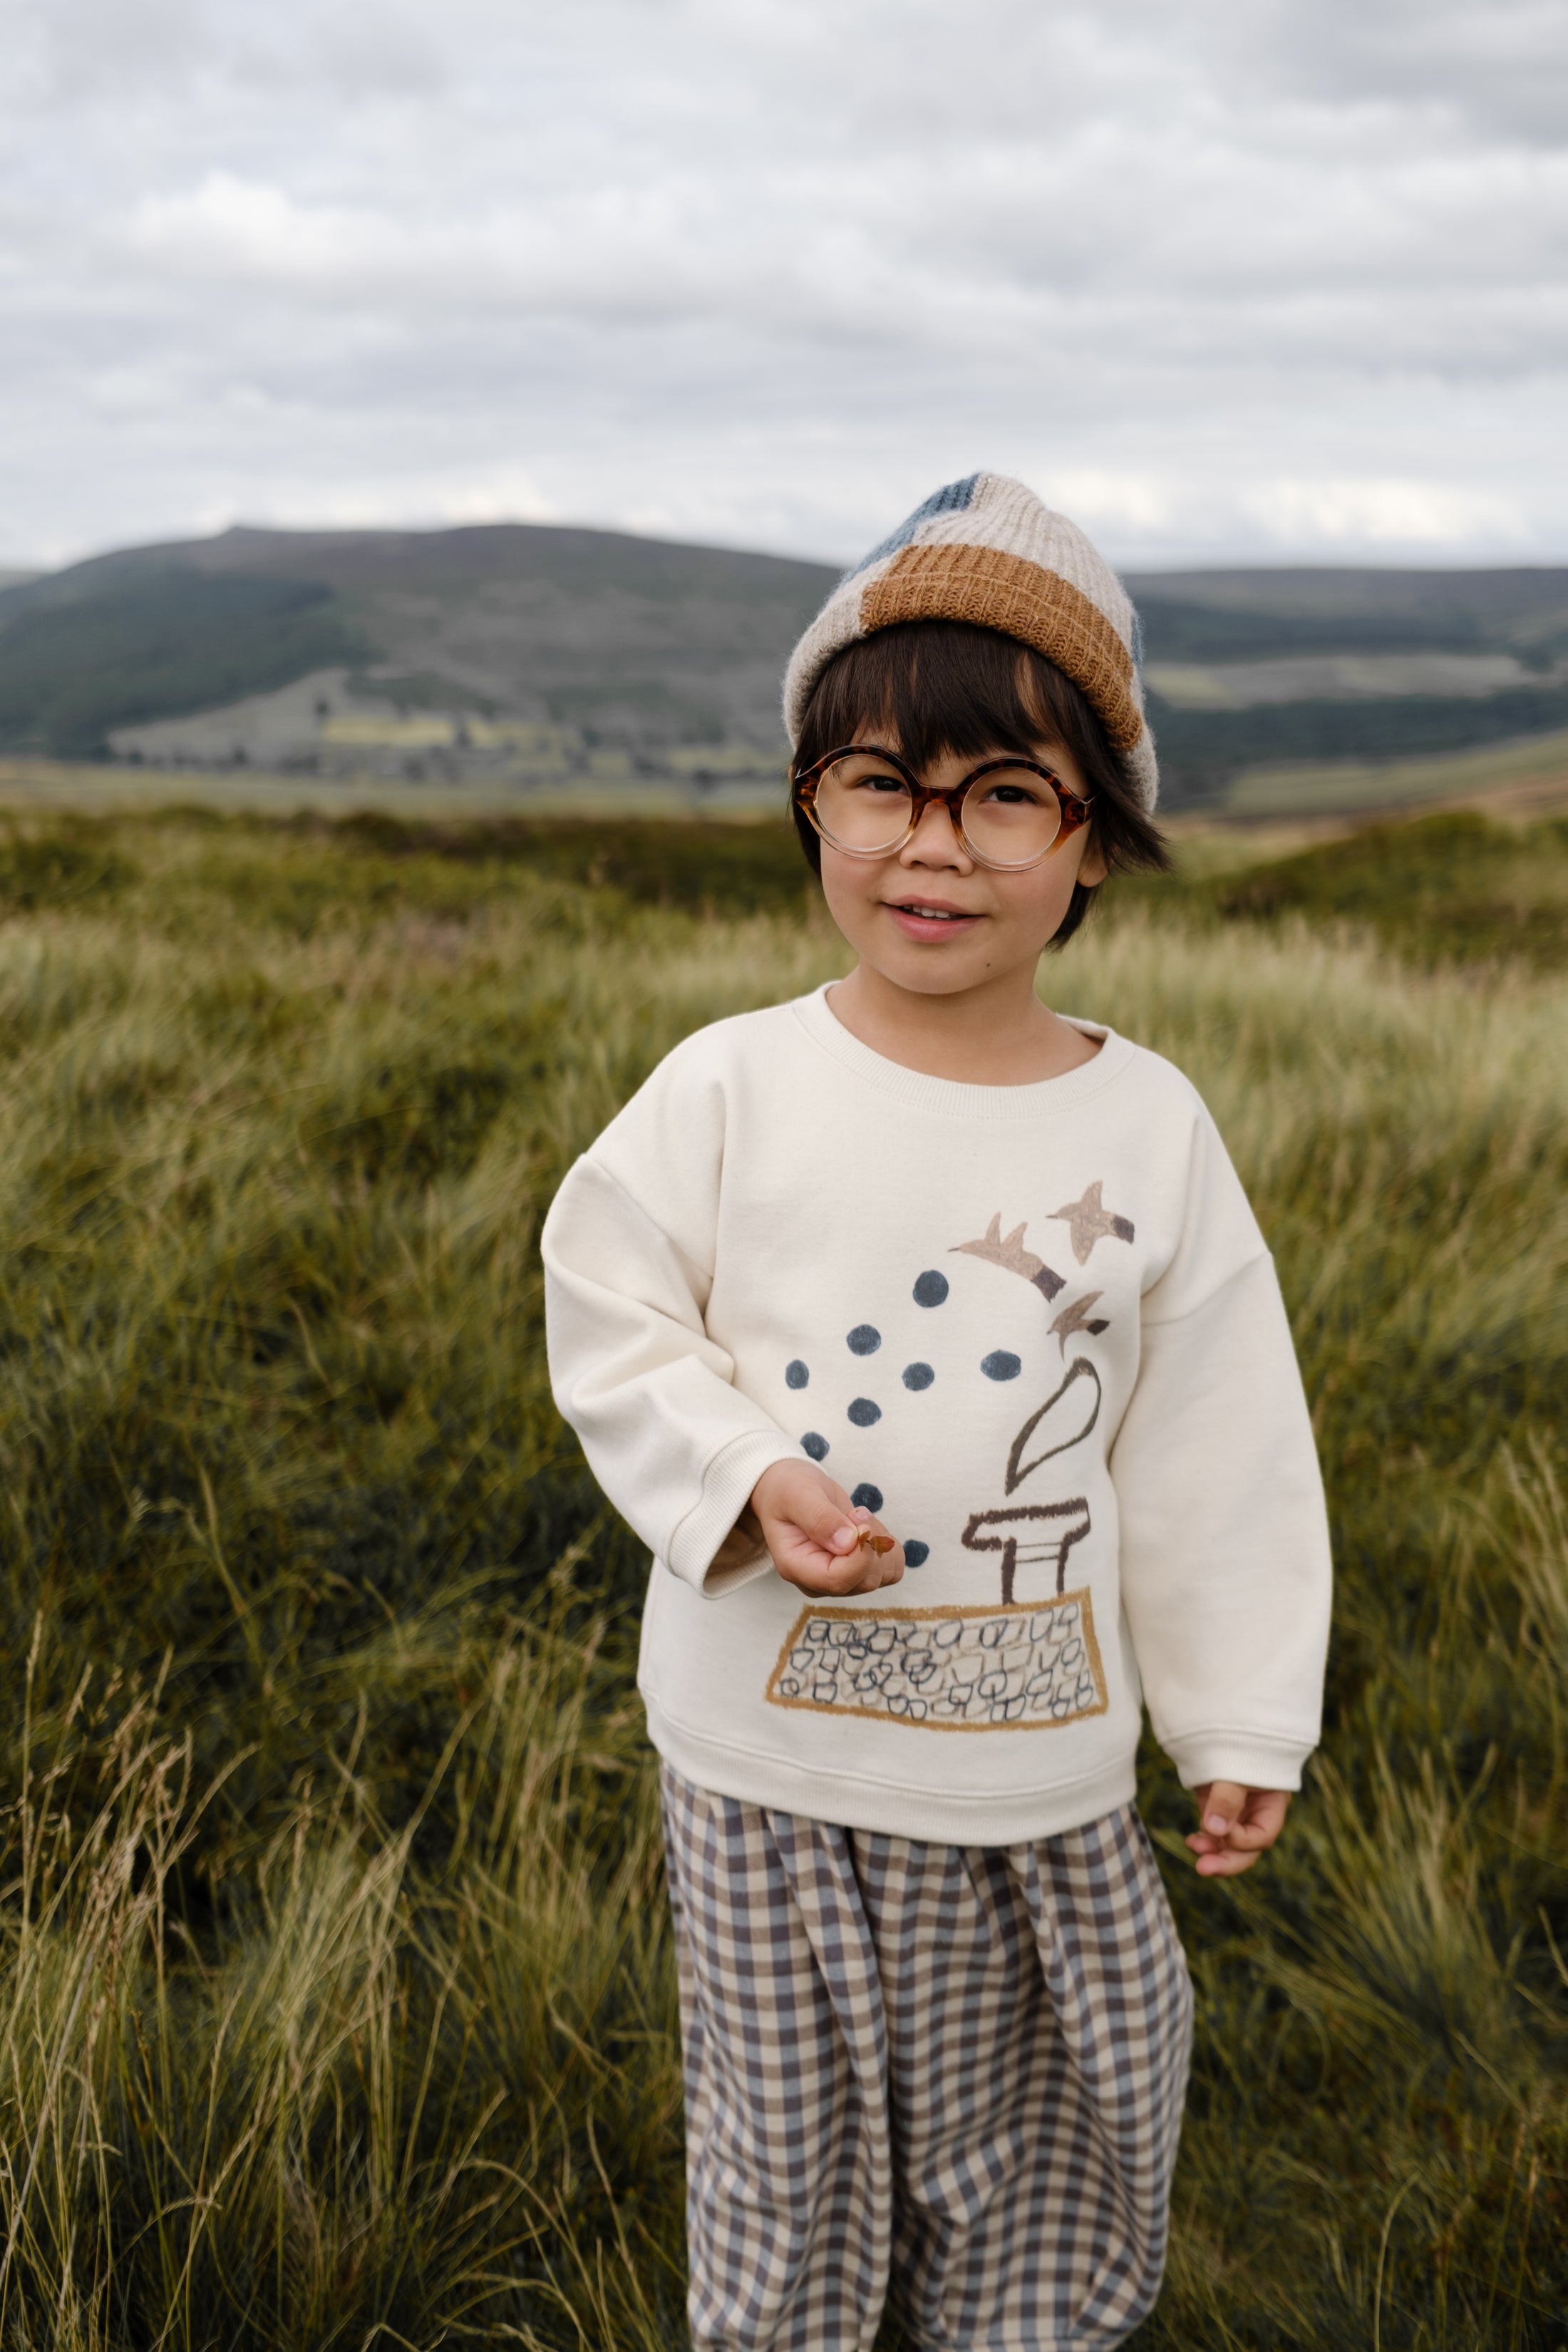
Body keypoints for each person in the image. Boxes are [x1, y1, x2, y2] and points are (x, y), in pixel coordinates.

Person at [542, 473, 1332, 2351]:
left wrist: (1237, 1710)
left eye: (1005, 796)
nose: (936, 847)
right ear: (815, 800)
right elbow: (610, 1303)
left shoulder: (1148, 1129)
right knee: (787, 2169)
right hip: (765, 1772)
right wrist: (742, 1476)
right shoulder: (730, 1088)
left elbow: (1216, 1442)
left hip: (1041, 1778)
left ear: (1096, 841)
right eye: (883, 784)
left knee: (1045, 2149)